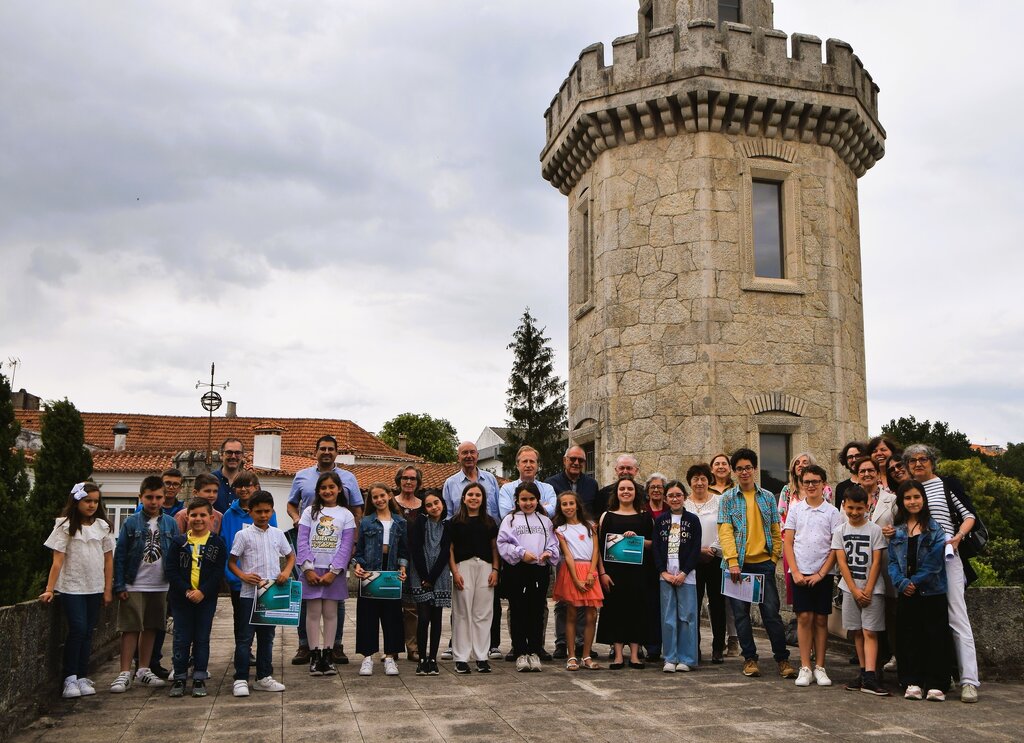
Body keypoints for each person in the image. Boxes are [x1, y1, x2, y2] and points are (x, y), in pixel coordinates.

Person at [904, 444, 980, 703]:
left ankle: (969, 680)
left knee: (957, 617)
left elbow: (969, 515)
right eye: (912, 461)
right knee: (929, 620)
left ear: (932, 461)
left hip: (948, 555)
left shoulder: (947, 484)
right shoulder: (909, 490)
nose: (918, 464)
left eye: (923, 459)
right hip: (919, 561)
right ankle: (939, 675)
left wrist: (957, 537)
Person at [718, 448, 797, 679]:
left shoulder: (767, 497)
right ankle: (750, 658)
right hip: (738, 566)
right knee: (741, 615)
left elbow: (775, 528)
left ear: (754, 469)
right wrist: (732, 561)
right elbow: (725, 531)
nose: (744, 472)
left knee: (771, 613)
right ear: (734, 471)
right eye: (739, 468)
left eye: (748, 467)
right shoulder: (727, 499)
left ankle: (782, 659)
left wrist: (773, 558)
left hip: (763, 563)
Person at [287, 434, 365, 666]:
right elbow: (292, 506)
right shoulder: (302, 480)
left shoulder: (349, 479)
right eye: (323, 448)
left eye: (331, 448)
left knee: (334, 607)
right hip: (311, 559)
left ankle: (334, 648)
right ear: (316, 451)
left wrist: (346, 554)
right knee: (309, 608)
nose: (327, 452)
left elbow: (358, 510)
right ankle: (308, 649)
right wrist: (297, 520)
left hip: (336, 560)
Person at [40, 482, 114, 699]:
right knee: (78, 629)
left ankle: (82, 675)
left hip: (95, 586)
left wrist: (107, 589)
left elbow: (108, 561)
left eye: (95, 501)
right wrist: (49, 589)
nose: (91, 505)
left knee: (88, 631)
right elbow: (57, 561)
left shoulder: (103, 526)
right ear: (77, 501)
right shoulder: (64, 526)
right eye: (87, 501)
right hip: (72, 586)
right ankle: (69, 676)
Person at [110, 476, 178, 693]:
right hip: (134, 584)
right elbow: (120, 555)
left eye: (158, 497)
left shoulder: (171, 523)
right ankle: (124, 672)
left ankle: (143, 669)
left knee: (151, 627)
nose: (154, 501)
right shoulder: (131, 522)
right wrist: (119, 585)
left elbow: (176, 554)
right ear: (141, 498)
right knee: (130, 628)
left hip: (160, 585)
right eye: (149, 497)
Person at [887, 480, 954, 701]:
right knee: (909, 637)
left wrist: (914, 582)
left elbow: (935, 564)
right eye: (907, 498)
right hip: (907, 591)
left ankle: (936, 683)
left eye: (916, 497)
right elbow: (892, 563)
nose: (912, 501)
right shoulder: (897, 531)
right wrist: (902, 583)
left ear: (923, 499)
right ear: (902, 502)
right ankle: (912, 681)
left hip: (931, 591)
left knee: (935, 637)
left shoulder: (935, 529)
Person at [228, 490, 294, 696]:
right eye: (258, 512)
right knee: (245, 637)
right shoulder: (243, 535)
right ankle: (240, 678)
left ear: (272, 511)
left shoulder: (278, 534)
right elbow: (231, 562)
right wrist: (243, 576)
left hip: (271, 594)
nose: (263, 515)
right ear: (250, 512)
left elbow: (291, 557)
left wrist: (285, 572)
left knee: (267, 637)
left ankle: (264, 676)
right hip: (249, 594)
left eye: (267, 511)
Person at [782, 464, 841, 687]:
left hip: (823, 573)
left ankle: (820, 666)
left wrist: (822, 573)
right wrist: (795, 572)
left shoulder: (832, 512)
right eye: (807, 482)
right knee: (804, 617)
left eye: (815, 481)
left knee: (820, 619)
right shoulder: (796, 510)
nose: (811, 486)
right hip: (800, 571)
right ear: (801, 484)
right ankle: (805, 666)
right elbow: (788, 542)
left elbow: (836, 547)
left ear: (823, 484)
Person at [442, 441, 502, 660]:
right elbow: (448, 514)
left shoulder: (491, 480)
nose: (469, 456)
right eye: (464, 453)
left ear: (478, 455)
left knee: (487, 603)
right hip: (462, 548)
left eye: (472, 452)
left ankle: (491, 645)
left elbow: (496, 510)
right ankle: (457, 645)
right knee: (461, 602)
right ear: (458, 457)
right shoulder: (450, 483)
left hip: (487, 542)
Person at [164, 498, 227, 698]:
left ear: (211, 518)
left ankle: (199, 675)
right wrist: (186, 590)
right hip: (181, 599)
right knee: (181, 638)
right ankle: (180, 677)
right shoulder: (179, 542)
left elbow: (218, 572)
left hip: (205, 599)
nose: (198, 519)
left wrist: (203, 592)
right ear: (187, 517)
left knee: (201, 638)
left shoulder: (217, 543)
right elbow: (171, 570)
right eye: (194, 515)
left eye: (202, 515)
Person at [297, 472, 357, 677]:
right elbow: (302, 540)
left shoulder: (346, 515)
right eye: (323, 488)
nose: (327, 491)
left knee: (331, 614)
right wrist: (308, 569)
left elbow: (347, 545)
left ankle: (328, 655)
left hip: (334, 572)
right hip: (312, 571)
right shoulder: (309, 512)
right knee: (313, 614)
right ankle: (314, 656)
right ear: (318, 491)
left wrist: (334, 571)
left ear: (339, 489)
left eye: (332, 487)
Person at [832, 486, 889, 696]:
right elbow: (842, 563)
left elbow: (876, 562)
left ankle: (872, 675)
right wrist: (855, 590)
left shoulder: (874, 530)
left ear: (867, 507)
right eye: (850, 508)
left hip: (872, 588)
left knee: (870, 631)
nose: (854, 512)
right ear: (844, 506)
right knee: (856, 631)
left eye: (859, 508)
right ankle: (864, 672)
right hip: (850, 588)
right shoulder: (840, 531)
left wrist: (868, 588)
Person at [498, 481, 560, 672]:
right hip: (517, 569)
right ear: (517, 500)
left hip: (539, 570)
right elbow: (503, 544)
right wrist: (520, 552)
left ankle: (534, 651)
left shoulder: (545, 520)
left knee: (536, 611)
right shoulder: (509, 520)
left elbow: (553, 542)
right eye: (524, 499)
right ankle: (520, 651)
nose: (528, 503)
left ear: (538, 500)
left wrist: (549, 552)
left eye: (532, 499)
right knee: (518, 610)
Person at [546, 445, 600, 659]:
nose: (576, 463)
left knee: (586, 602)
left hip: (584, 547)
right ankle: (562, 643)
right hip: (562, 546)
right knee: (566, 601)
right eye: (572, 460)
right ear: (564, 460)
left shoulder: (591, 484)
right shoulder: (552, 483)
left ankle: (581, 643)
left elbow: (593, 513)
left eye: (580, 460)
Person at [597, 477, 654, 669]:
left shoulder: (645, 516)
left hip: (639, 573)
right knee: (616, 611)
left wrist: (637, 540)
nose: (626, 492)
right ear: (617, 492)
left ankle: (636, 655)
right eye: (622, 489)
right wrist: (602, 573)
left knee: (637, 611)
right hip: (613, 573)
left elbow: (653, 545)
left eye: (630, 488)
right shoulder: (607, 515)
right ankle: (618, 655)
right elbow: (598, 547)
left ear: (636, 492)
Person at [353, 483, 408, 677]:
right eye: (375, 497)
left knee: (392, 617)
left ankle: (390, 657)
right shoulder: (366, 522)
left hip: (391, 573)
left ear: (389, 496)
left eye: (382, 496)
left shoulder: (400, 522)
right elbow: (358, 551)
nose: (379, 500)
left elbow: (403, 550)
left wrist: (403, 569)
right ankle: (367, 658)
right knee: (367, 616)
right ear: (371, 500)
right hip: (370, 573)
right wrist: (358, 565)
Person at [220, 471, 277, 653]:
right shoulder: (229, 514)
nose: (243, 489)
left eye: (248, 485)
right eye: (239, 486)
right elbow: (227, 543)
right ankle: (245, 651)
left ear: (256, 487)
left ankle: (263, 654)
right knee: (241, 619)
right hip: (239, 579)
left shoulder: (268, 513)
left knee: (265, 620)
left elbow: (272, 540)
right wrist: (232, 576)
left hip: (264, 580)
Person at [852, 456, 899, 674]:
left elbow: (905, 525)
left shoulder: (892, 499)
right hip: (859, 567)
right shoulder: (850, 500)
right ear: (857, 475)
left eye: (871, 470)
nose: (867, 474)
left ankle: (894, 658)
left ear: (878, 474)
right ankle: (872, 667)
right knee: (864, 621)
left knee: (890, 614)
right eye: (862, 471)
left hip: (887, 563)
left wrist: (895, 531)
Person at [448, 482, 500, 674]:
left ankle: (481, 656)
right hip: (463, 567)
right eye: (470, 494)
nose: (474, 498)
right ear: (463, 498)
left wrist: (495, 570)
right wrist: (455, 572)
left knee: (483, 613)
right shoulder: (455, 522)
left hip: (485, 567)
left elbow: (495, 548)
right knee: (462, 612)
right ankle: (461, 657)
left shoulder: (489, 521)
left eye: (478, 495)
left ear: (483, 499)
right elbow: (450, 549)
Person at [653, 480, 702, 673]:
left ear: (684, 497)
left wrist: (684, 572)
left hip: (686, 576)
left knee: (687, 616)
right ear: (666, 498)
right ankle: (670, 657)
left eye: (678, 495)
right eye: (671, 496)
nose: (675, 499)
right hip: (665, 575)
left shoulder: (692, 520)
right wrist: (662, 572)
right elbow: (656, 548)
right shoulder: (661, 521)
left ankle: (687, 658)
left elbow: (695, 549)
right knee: (668, 617)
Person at [552, 491, 603, 671]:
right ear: (560, 508)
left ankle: (586, 655)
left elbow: (596, 551)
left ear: (577, 505)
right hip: (572, 571)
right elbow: (567, 556)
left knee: (592, 615)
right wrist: (576, 579)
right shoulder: (560, 530)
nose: (568, 507)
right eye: (564, 504)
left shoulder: (590, 526)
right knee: (571, 614)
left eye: (571, 503)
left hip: (590, 571)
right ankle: (571, 655)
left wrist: (591, 573)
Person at [684, 464, 726, 663]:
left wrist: (713, 549)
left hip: (716, 559)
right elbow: (683, 534)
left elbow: (725, 528)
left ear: (709, 480)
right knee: (694, 605)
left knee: (717, 605)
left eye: (703, 478)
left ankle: (718, 648)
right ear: (690, 482)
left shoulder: (720, 501)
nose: (699, 483)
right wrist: (697, 551)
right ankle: (695, 647)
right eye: (695, 479)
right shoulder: (684, 504)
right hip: (692, 562)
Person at [408, 491, 452, 676]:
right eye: (429, 505)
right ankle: (422, 658)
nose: (434, 507)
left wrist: (432, 577)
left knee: (436, 619)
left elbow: (445, 552)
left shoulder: (448, 525)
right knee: (423, 618)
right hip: (420, 573)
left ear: (442, 503)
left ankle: (433, 659)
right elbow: (416, 549)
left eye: (437, 503)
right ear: (424, 508)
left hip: (439, 575)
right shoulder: (420, 523)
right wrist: (425, 576)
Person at [709, 451, 741, 657]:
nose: (721, 466)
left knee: (733, 597)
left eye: (724, 463)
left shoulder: (736, 490)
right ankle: (717, 638)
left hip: (732, 548)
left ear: (730, 468)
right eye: (717, 464)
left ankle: (734, 638)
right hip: (712, 549)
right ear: (712, 469)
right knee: (715, 600)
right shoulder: (706, 490)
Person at [394, 466, 424, 664]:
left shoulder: (424, 505)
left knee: (412, 607)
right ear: (399, 480)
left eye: (413, 479)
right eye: (405, 478)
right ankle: (393, 647)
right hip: (391, 560)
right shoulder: (390, 503)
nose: (408, 482)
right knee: (392, 606)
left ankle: (413, 648)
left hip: (415, 561)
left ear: (418, 482)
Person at [212, 438, 246, 513]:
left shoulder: (249, 482)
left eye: (237, 453)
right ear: (221, 455)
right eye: (229, 452)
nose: (233, 456)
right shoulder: (210, 480)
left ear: (242, 456)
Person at [834, 441, 867, 509]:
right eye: (850, 457)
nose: (854, 460)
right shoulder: (840, 488)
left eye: (857, 456)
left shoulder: (870, 483)